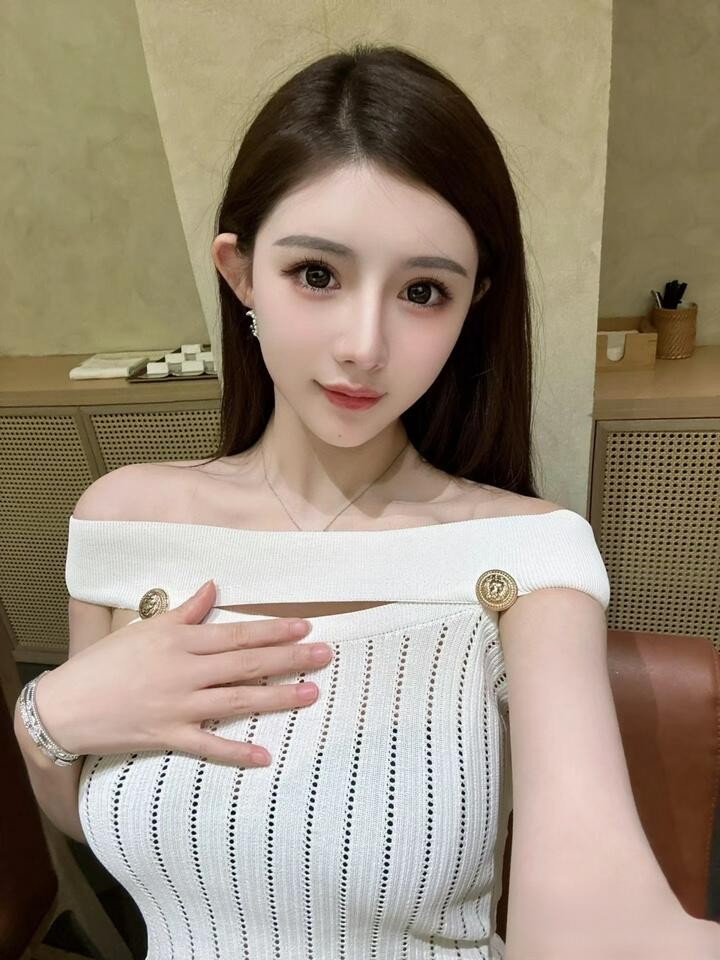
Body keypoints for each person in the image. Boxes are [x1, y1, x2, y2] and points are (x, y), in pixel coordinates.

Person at [15, 42, 716, 960]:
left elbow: (591, 916)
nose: (365, 345)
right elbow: (92, 816)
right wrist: (46, 721)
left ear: (472, 307)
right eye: (318, 274)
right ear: (240, 271)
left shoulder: (528, 555)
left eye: (424, 291)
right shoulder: (124, 521)